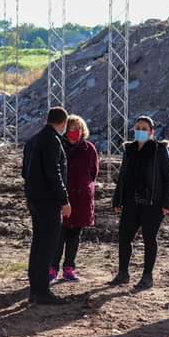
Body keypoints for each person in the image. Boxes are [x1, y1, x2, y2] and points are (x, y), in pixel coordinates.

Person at [110, 116, 169, 290]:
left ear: (151, 132)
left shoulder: (159, 150)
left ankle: (147, 276)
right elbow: (123, 175)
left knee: (149, 238)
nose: (140, 131)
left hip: (153, 203)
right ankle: (123, 273)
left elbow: (168, 178)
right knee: (124, 237)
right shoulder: (129, 149)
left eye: (144, 128)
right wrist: (117, 198)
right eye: (138, 127)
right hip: (131, 201)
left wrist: (167, 202)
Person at [22, 107, 72, 305]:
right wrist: (64, 200)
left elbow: (25, 172)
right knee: (47, 245)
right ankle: (42, 291)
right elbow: (54, 173)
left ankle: (35, 287)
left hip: (34, 198)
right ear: (63, 123)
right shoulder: (52, 141)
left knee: (38, 243)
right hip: (48, 201)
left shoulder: (33, 140)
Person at [49, 115, 99, 282]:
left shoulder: (89, 149)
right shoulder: (58, 146)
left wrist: (85, 188)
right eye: (70, 129)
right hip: (62, 198)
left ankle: (69, 268)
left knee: (74, 236)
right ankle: (52, 268)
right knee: (58, 235)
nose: (73, 133)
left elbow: (94, 172)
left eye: (77, 129)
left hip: (81, 200)